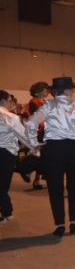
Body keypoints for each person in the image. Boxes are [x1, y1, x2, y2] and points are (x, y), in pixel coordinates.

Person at [26, 77, 75, 236]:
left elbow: (30, 124)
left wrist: (34, 144)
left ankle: (60, 224)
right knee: (74, 187)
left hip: (54, 149)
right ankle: (74, 222)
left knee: (55, 188)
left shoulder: (48, 105)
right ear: (68, 90)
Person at [0, 90, 37, 224]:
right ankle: (6, 213)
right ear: (3, 100)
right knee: (3, 186)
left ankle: (7, 211)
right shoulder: (11, 117)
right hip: (6, 154)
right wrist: (36, 149)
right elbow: (23, 136)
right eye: (10, 101)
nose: (12, 103)